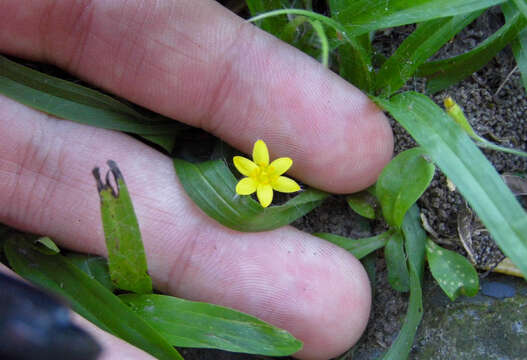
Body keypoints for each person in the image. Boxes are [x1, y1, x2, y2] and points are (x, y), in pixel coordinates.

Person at [0, 1, 393, 359]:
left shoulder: (271, 177)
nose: (262, 173)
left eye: (267, 172)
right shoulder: (252, 177)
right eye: (260, 171)